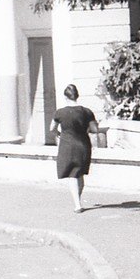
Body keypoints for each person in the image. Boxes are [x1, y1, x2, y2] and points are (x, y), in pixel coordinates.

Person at [50, 84, 99, 212]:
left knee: (72, 174)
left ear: (65, 97)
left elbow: (52, 129)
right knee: (79, 173)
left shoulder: (60, 112)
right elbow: (95, 129)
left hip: (67, 145)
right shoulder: (87, 111)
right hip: (83, 145)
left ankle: (77, 205)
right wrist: (86, 128)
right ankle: (78, 201)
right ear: (77, 95)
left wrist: (59, 134)